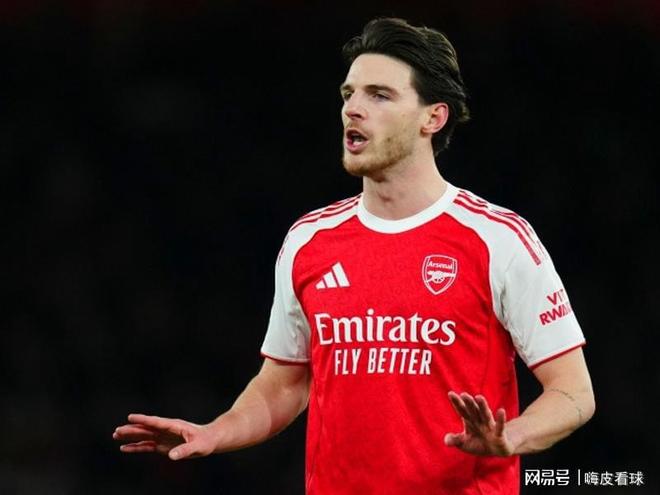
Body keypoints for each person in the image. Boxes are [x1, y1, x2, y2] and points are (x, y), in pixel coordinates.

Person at [113, 17, 595, 494]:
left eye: (379, 95)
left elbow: (574, 392)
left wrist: (511, 437)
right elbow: (283, 385)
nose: (353, 109)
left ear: (433, 117)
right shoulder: (309, 240)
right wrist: (216, 433)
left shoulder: (497, 239)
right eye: (349, 94)